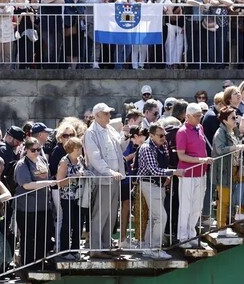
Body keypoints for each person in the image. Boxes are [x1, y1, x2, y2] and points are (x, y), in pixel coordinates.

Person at [135, 123, 185, 258]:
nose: (164, 138)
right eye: (161, 135)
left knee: (154, 217)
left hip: (159, 185)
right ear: (151, 135)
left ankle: (147, 246)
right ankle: (156, 249)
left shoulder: (163, 146)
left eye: (164, 135)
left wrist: (168, 176)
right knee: (161, 217)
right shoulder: (146, 148)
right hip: (149, 184)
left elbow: (164, 165)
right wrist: (173, 172)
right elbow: (154, 170)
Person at [83, 103, 127, 255]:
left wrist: (126, 137)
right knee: (100, 213)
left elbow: (120, 148)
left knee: (112, 213)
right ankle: (96, 248)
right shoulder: (91, 133)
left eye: (109, 113)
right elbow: (94, 157)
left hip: (115, 178)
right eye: (106, 113)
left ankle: (106, 245)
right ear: (97, 116)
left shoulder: (110, 129)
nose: (109, 116)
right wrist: (109, 172)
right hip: (102, 179)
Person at [175, 103, 214, 246]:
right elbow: (181, 156)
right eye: (196, 116)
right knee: (186, 206)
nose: (199, 118)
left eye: (200, 115)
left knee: (197, 207)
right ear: (188, 116)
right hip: (187, 174)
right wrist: (201, 160)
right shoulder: (182, 131)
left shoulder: (200, 127)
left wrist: (202, 161)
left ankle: (191, 235)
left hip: (201, 173)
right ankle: (183, 237)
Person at [13, 137, 55, 269]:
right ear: (26, 150)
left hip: (44, 206)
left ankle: (40, 261)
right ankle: (27, 263)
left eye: (38, 149)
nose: (36, 152)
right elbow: (26, 184)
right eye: (33, 150)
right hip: (27, 207)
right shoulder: (22, 164)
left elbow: (48, 175)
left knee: (44, 235)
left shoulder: (42, 160)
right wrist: (47, 183)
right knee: (29, 236)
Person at [211, 107, 244, 224]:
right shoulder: (220, 133)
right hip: (224, 170)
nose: (235, 119)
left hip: (236, 168)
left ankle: (239, 214)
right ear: (224, 120)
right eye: (233, 118)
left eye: (236, 117)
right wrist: (235, 147)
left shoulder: (234, 131)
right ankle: (221, 226)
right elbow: (220, 150)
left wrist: (240, 167)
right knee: (224, 200)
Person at [53, 137, 86, 258]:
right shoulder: (64, 161)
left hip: (79, 196)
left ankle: (75, 250)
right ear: (71, 149)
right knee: (67, 223)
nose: (80, 150)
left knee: (78, 223)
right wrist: (74, 177)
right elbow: (60, 182)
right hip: (67, 197)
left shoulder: (80, 159)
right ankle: (65, 251)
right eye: (78, 148)